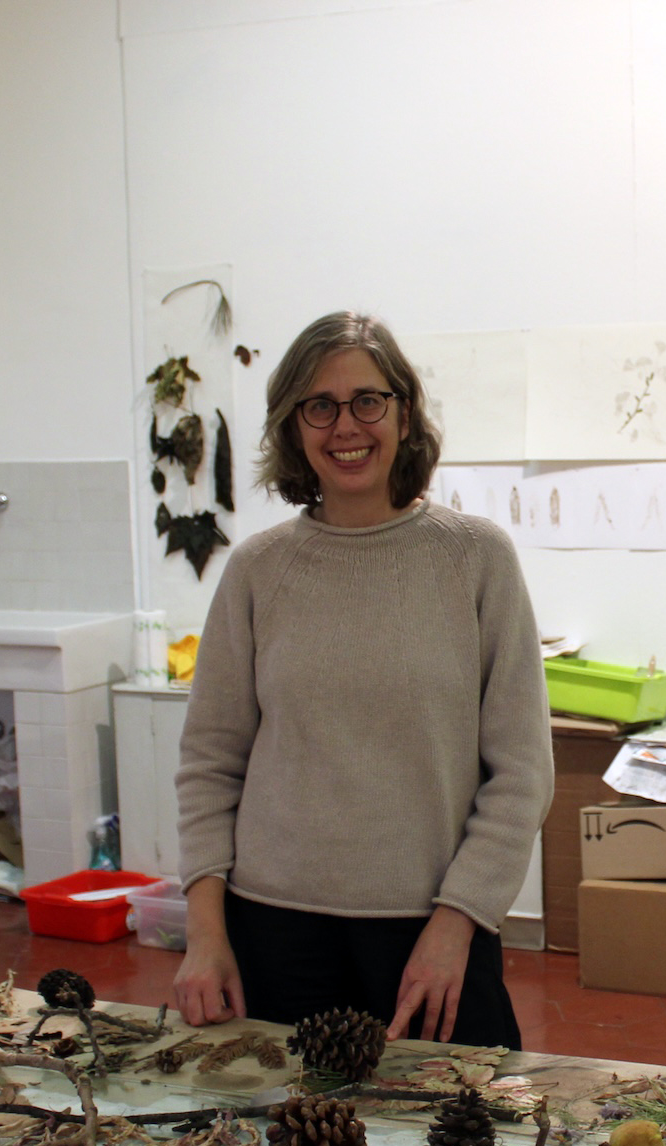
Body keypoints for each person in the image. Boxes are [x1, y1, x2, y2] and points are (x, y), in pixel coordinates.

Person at [168, 311, 554, 1047]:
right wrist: (205, 933)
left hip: (431, 934)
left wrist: (458, 920)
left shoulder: (477, 559)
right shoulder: (256, 571)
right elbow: (210, 765)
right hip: (272, 935)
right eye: (320, 405)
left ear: (404, 413)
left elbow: (523, 774)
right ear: (293, 426)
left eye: (368, 400)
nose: (346, 426)